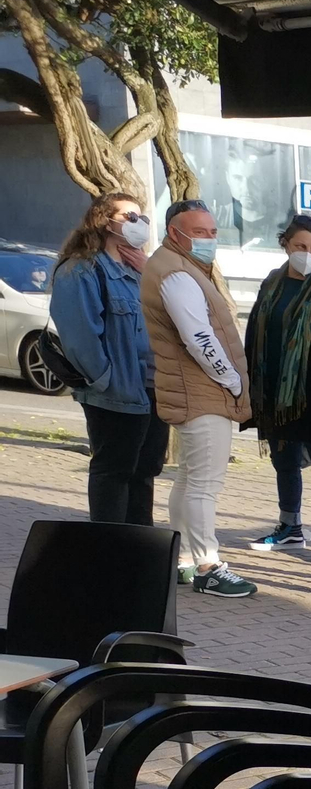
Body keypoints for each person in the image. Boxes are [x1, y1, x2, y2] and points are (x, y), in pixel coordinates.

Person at [139, 200, 257, 598]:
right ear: (176, 233)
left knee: (189, 479)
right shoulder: (177, 273)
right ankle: (208, 565)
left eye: (213, 232)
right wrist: (231, 380)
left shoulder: (177, 266)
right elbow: (198, 337)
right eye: (200, 232)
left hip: (194, 389)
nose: (209, 239)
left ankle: (184, 558)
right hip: (202, 391)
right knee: (204, 484)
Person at [49, 191, 167, 525]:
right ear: (104, 221)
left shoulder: (141, 270)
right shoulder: (82, 271)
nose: (138, 223)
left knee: (144, 473)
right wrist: (106, 381)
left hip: (151, 390)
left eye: (141, 217)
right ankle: (110, 553)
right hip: (115, 395)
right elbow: (80, 337)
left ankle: (139, 552)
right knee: (113, 471)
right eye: (129, 217)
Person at [244, 214, 311, 561]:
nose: (307, 253)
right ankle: (290, 526)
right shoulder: (272, 283)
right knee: (284, 461)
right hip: (275, 392)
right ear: (285, 245)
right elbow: (253, 333)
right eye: (300, 246)